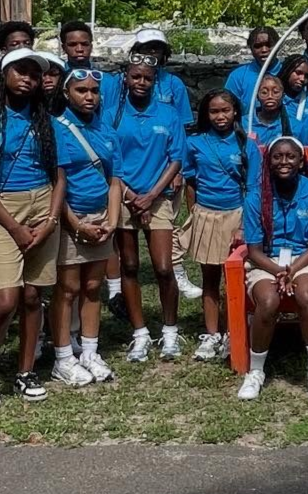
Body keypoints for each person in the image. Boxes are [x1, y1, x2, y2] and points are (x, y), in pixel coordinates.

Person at [0, 48, 67, 409]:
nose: (27, 78)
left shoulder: (46, 121)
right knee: (6, 300)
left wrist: (51, 220)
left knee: (33, 296)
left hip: (43, 203)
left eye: (34, 74)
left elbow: (59, 174)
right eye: (20, 71)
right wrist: (14, 227)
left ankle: (26, 371)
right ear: (3, 75)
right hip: (3, 206)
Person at [101, 29, 199, 302]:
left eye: (157, 48)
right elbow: (111, 151)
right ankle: (120, 296)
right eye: (146, 48)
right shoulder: (116, 102)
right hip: (124, 188)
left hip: (160, 180)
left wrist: (165, 183)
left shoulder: (173, 87)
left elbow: (180, 134)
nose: (151, 54)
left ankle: (178, 279)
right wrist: (132, 196)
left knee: (163, 260)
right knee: (130, 263)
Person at [105, 53, 185, 362]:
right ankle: (139, 333)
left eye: (147, 78)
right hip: (124, 196)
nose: (141, 82)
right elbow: (109, 158)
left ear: (155, 81)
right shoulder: (112, 114)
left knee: (164, 267)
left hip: (157, 197)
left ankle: (170, 331)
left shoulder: (168, 115)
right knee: (130, 265)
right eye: (136, 77)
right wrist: (128, 195)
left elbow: (176, 157)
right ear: (126, 78)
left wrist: (151, 195)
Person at [238, 136, 308, 401]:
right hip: (265, 261)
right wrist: (279, 270)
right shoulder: (257, 197)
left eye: (290, 156)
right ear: (268, 162)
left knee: (305, 295)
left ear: (301, 161)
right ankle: (255, 371)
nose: (284, 162)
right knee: (268, 301)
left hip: (304, 260)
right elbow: (254, 251)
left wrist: (291, 271)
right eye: (277, 157)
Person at [50, 67, 120, 386]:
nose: (89, 96)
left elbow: (114, 179)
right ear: (67, 94)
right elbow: (56, 183)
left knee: (93, 287)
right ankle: (63, 357)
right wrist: (76, 224)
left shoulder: (106, 129)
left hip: (100, 218)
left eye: (93, 90)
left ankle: (90, 351)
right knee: (68, 289)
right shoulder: (57, 128)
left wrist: (112, 220)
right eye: (81, 90)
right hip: (70, 218)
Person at [184, 90, 249, 362]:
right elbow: (190, 181)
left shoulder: (246, 143)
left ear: (235, 112)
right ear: (205, 115)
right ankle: (212, 334)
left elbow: (252, 185)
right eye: (214, 111)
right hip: (207, 214)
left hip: (237, 215)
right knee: (210, 279)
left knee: (235, 278)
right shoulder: (195, 143)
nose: (220, 116)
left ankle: (234, 331)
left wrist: (246, 224)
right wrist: (194, 212)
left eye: (225, 110)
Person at [224, 27, 281, 109]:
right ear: (250, 47)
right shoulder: (238, 76)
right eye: (258, 46)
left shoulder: (290, 73)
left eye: (269, 45)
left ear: (278, 45)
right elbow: (227, 107)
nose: (264, 50)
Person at [277, 54, 308, 148]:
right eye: (298, 73)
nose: (302, 79)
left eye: (306, 76)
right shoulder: (276, 100)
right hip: (285, 157)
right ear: (287, 71)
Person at [249, 74, 289, 144]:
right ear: (257, 96)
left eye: (275, 92)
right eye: (264, 92)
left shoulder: (294, 125)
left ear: (283, 96)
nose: (270, 96)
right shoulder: (244, 123)